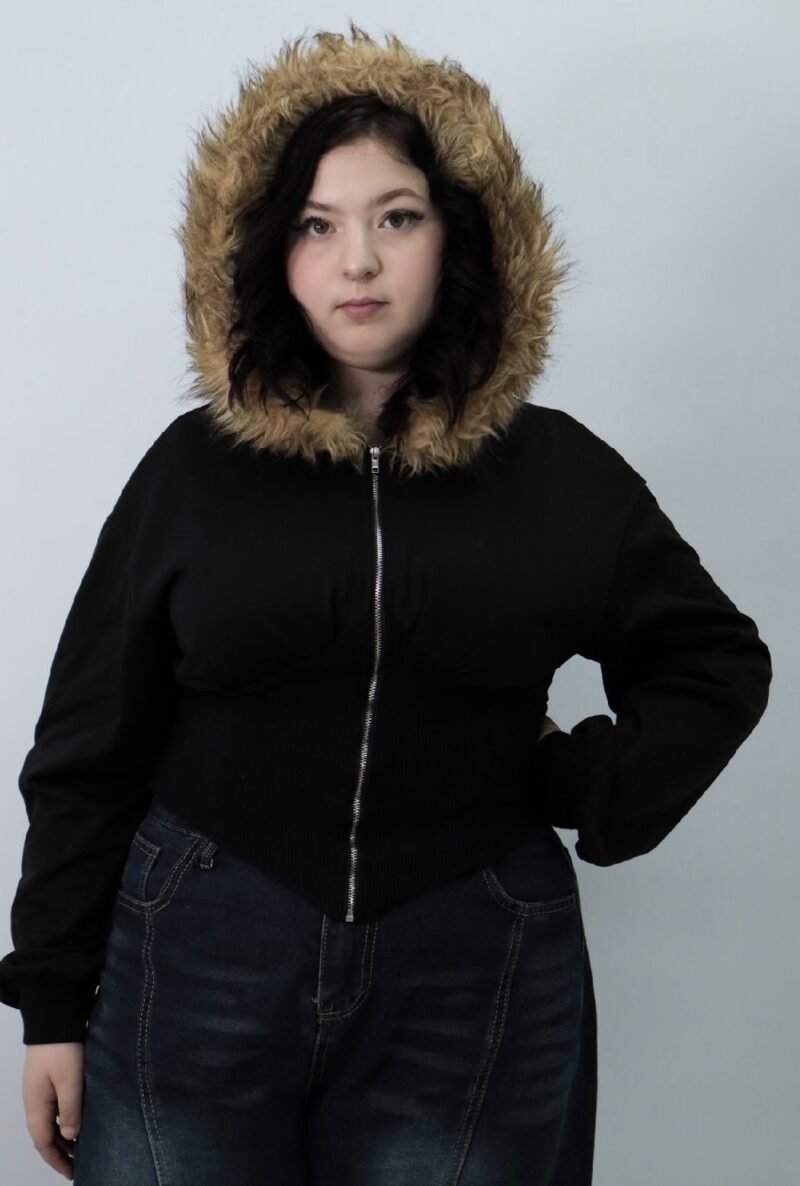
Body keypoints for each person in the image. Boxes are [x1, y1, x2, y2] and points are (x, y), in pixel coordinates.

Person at [0, 22, 772, 1186]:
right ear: (268, 250)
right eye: (316, 225)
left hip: (471, 964)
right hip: (200, 951)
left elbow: (713, 663)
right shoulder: (192, 473)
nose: (355, 260)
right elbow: (86, 745)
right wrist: (50, 1000)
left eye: (395, 217)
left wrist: (585, 784)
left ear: (461, 230)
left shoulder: (559, 474)